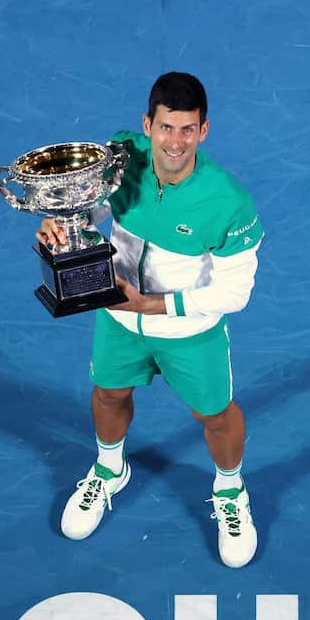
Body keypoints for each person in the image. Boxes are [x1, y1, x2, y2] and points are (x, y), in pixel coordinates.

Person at [36, 72, 264, 568]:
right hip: (119, 319)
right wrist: (63, 218)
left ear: (204, 131)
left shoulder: (229, 203)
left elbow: (235, 292)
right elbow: (93, 208)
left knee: (215, 416)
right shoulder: (121, 155)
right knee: (109, 394)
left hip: (189, 331)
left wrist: (154, 306)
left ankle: (230, 491)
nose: (174, 142)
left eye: (187, 130)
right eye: (165, 128)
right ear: (147, 124)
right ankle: (109, 467)